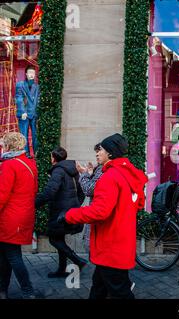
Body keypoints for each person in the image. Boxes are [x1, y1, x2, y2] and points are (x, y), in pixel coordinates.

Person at [59, 134, 148, 299]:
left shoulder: (110, 177)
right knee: (99, 289)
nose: (97, 152)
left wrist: (70, 215)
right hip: (119, 242)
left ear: (111, 153)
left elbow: (99, 211)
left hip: (110, 246)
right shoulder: (128, 174)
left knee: (120, 292)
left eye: (101, 149)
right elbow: (139, 203)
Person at [35, 147, 87, 278]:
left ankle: (77, 260)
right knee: (59, 238)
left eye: (51, 156)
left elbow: (50, 191)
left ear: (53, 158)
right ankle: (62, 269)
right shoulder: (73, 169)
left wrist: (34, 204)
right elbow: (81, 191)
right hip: (69, 210)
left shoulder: (58, 170)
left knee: (54, 239)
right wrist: (75, 205)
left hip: (59, 211)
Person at [0, 132, 38, 299]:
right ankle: (2, 289)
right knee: (5, 255)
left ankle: (28, 290)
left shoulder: (9, 165)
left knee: (13, 256)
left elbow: (2, 195)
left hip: (10, 217)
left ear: (9, 146)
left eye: (3, 144)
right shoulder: (28, 162)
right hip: (23, 214)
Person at [76, 143, 104, 253]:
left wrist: (84, 174)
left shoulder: (103, 169)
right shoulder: (101, 167)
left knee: (93, 248)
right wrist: (90, 173)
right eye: (96, 152)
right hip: (97, 211)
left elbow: (89, 189)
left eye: (99, 151)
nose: (97, 155)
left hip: (98, 212)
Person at [15, 65, 40, 155]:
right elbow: (19, 99)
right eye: (29, 72)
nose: (31, 74)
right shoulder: (20, 85)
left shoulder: (37, 86)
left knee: (35, 136)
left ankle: (36, 153)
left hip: (34, 115)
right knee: (24, 135)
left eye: (33, 73)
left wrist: (38, 113)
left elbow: (38, 100)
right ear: (26, 74)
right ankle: (26, 154)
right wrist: (22, 112)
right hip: (24, 115)